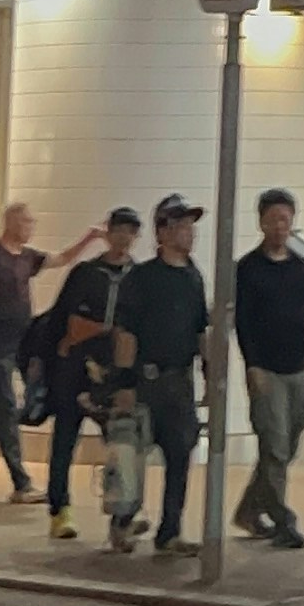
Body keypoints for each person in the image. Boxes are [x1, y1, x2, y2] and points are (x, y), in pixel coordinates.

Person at [0, 202, 103, 503]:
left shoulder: (27, 258)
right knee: (5, 407)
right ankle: (21, 482)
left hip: (15, 346)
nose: (31, 227)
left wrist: (89, 238)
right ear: (11, 222)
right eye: (26, 221)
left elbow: (60, 259)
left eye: (33, 222)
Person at [110, 194, 210, 554]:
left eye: (190, 226)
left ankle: (170, 532)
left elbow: (202, 330)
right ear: (163, 232)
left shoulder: (193, 276)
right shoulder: (141, 278)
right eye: (182, 226)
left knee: (180, 455)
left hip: (179, 381)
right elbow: (126, 333)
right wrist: (124, 383)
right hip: (145, 381)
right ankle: (122, 519)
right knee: (133, 456)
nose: (189, 233)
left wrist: (210, 376)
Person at [232, 188, 304, 551]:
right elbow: (243, 321)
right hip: (267, 370)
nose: (278, 225)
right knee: (272, 444)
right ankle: (281, 518)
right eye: (272, 219)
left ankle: (248, 510)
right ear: (261, 222)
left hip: (300, 367)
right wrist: (252, 365)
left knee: (286, 446)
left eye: (284, 219)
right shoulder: (248, 268)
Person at [40, 211, 141, 539]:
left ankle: (121, 511)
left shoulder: (139, 276)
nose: (123, 237)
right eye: (118, 230)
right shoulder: (85, 273)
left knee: (120, 440)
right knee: (65, 438)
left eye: (130, 231)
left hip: (114, 371)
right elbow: (59, 318)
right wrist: (51, 362)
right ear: (107, 233)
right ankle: (60, 509)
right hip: (75, 366)